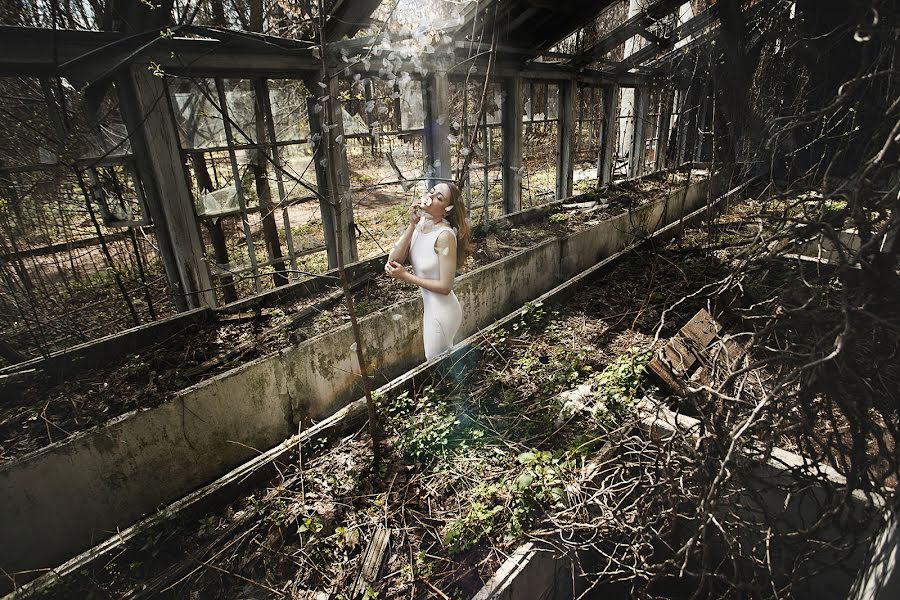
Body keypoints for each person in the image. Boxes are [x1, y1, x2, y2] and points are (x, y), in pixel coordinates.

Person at [385, 181, 473, 360]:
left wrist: (407, 277)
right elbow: (393, 261)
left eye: (438, 197)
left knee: (436, 364)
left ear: (447, 209)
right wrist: (412, 224)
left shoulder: (444, 236)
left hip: (443, 311)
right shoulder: (421, 225)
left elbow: (445, 286)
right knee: (442, 365)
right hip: (431, 308)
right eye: (431, 192)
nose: (431, 197)